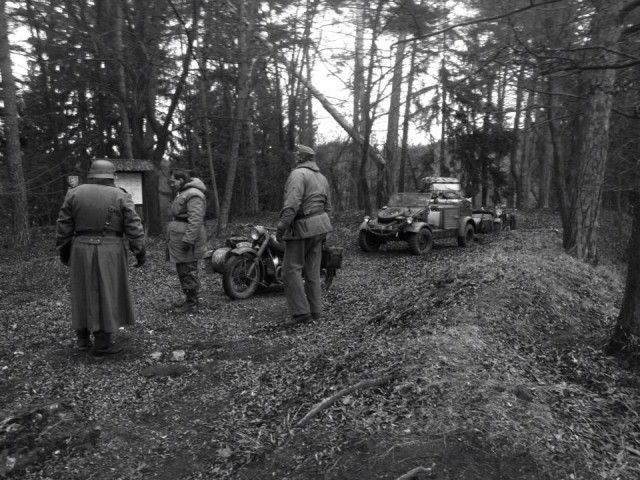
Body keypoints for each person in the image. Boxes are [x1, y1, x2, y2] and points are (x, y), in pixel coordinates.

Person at [56, 159, 146, 356]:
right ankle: (103, 343)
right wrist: (139, 251)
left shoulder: (74, 193)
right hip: (110, 249)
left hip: (80, 248)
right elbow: (133, 226)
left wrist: (64, 251)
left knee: (82, 292)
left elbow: (63, 226)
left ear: (91, 174)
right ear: (112, 176)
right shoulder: (120, 195)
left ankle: (82, 339)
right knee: (107, 292)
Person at [276, 145, 333, 325]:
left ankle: (301, 313)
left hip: (301, 227)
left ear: (300, 158)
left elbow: (292, 204)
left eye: (296, 155)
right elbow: (328, 206)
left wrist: (281, 227)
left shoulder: (297, 174)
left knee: (290, 271)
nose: (294, 158)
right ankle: (316, 311)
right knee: (312, 271)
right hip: (320, 227)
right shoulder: (322, 177)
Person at [167, 170, 207, 313]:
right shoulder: (184, 192)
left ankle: (192, 304)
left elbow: (195, 219)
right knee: (183, 269)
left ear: (181, 180)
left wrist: (189, 239)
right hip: (180, 237)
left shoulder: (194, 194)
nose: (171, 184)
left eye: (173, 182)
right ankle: (189, 299)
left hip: (187, 239)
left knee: (188, 270)